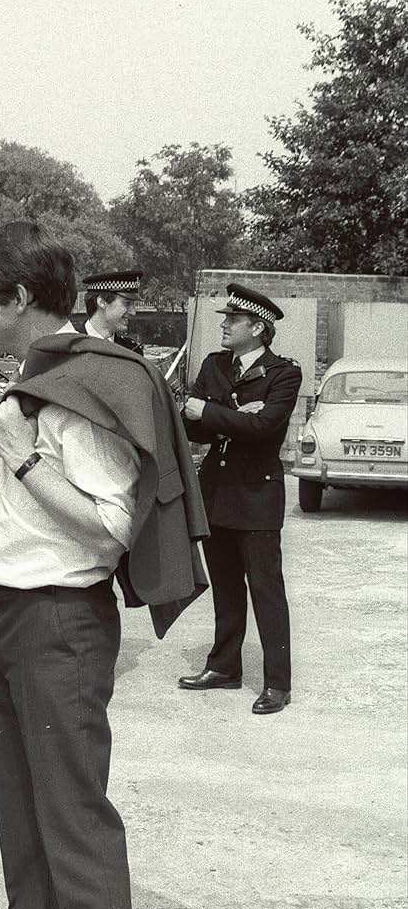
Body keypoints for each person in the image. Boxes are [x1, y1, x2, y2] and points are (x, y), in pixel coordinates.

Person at [0, 222, 208, 909]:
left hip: (59, 621)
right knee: (21, 802)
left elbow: (111, 526)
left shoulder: (85, 386)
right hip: (8, 615)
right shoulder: (41, 378)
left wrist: (21, 463)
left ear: (20, 299)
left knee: (73, 812)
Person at [179, 282, 301, 714]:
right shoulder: (215, 364)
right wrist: (231, 417)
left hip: (257, 494)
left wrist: (212, 413)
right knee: (226, 586)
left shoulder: (284, 373)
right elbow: (192, 427)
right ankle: (224, 667)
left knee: (266, 590)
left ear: (258, 327)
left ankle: (277, 684)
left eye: (233, 320)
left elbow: (265, 429)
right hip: (217, 491)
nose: (225, 325)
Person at [60, 269, 144, 353]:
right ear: (102, 302)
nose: (133, 312)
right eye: (127, 303)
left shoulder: (133, 350)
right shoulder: (67, 347)